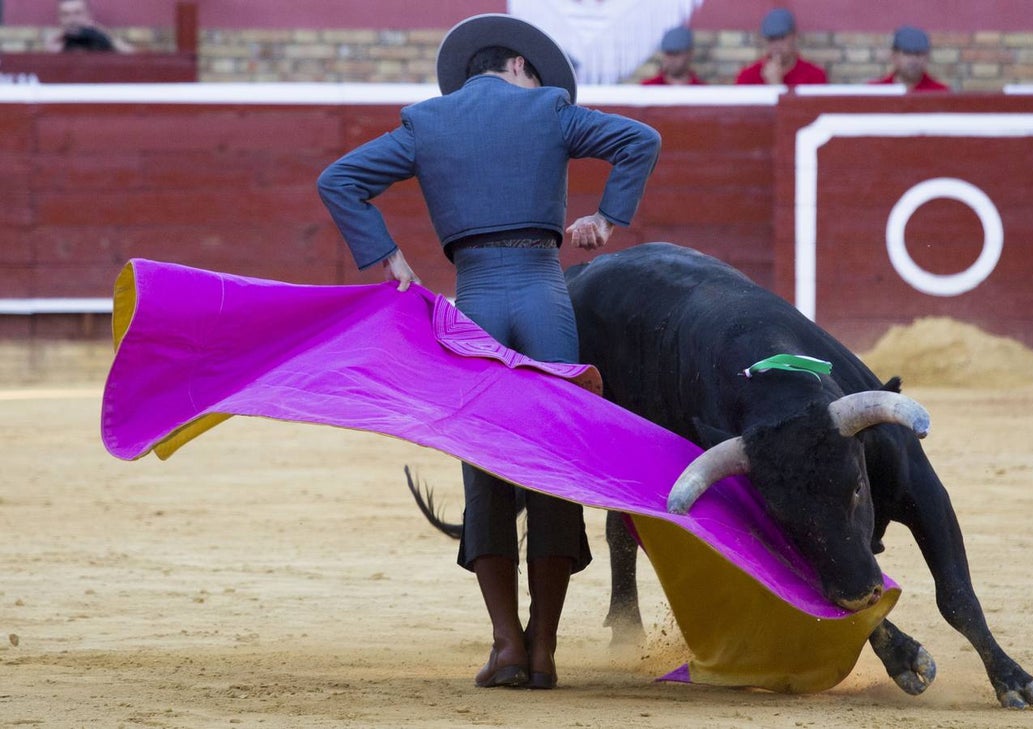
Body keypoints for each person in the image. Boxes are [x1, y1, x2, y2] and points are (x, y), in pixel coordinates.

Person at [316, 14, 660, 690]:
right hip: (542, 296)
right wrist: (604, 218)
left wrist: (387, 257)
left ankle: (505, 645)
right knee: (554, 461)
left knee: (486, 464)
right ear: (520, 67)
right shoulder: (549, 108)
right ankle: (544, 648)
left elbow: (339, 181)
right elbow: (639, 140)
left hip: (474, 305)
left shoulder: (426, 121)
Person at [735, 8, 827, 86]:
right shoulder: (748, 76)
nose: (776, 45)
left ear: (794, 37)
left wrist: (776, 85)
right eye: (771, 39)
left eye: (782, 38)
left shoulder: (814, 76)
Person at [870, 25, 949, 91]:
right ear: (894, 56)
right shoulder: (876, 91)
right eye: (907, 53)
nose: (913, 60)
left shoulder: (940, 92)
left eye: (918, 54)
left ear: (927, 56)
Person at [46, 0, 135, 53]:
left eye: (77, 13)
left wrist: (104, 37)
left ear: (88, 16)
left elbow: (133, 56)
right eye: (66, 14)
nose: (72, 19)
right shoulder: (57, 41)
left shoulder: (101, 37)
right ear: (60, 18)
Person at [641, 26, 705, 85]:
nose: (672, 59)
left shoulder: (702, 90)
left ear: (690, 54)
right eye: (668, 54)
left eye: (676, 54)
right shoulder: (649, 87)